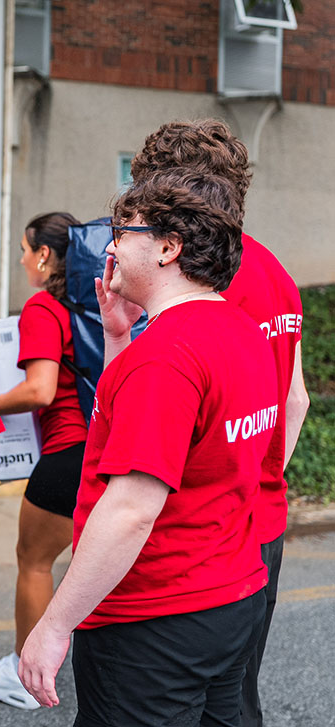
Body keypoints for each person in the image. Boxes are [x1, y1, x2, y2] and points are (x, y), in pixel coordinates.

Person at [18, 169, 278, 726]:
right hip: (231, 597)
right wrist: (117, 336)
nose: (110, 245)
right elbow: (139, 435)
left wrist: (54, 623)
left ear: (167, 247)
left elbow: (133, 508)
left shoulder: (165, 357)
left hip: (152, 620)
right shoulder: (243, 332)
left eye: (124, 231)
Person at [128, 119, 309, 727]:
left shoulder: (193, 281)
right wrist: (254, 473)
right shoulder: (277, 273)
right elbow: (296, 400)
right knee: (235, 698)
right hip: (262, 522)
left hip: (197, 534)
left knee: (173, 701)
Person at [0, 211, 87, 711]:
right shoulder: (100, 301)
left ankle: (24, 675)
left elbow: (40, 389)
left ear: (44, 255)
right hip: (108, 450)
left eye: (24, 248)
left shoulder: (44, 306)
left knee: (34, 561)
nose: (21, 259)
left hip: (66, 452)